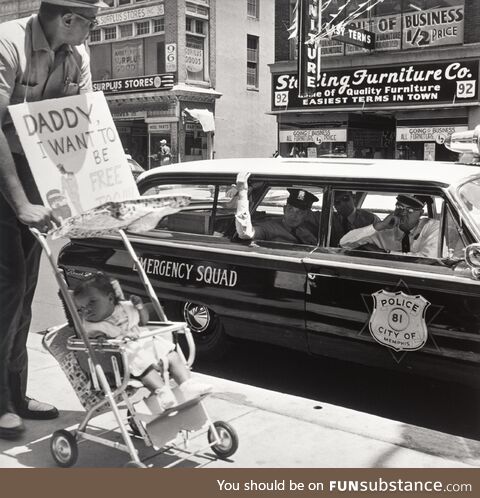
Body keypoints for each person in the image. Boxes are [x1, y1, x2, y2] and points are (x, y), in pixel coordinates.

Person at [0, 0, 110, 439]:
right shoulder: (8, 43)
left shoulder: (77, 56)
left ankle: (14, 392)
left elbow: (79, 128)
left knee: (24, 287)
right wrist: (21, 202)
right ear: (68, 19)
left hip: (34, 170)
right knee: (7, 285)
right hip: (4, 169)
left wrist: (97, 188)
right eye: (92, 22)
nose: (93, 30)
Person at [73, 273, 212, 412]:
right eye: (82, 308)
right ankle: (162, 392)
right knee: (145, 368)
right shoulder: (92, 325)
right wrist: (102, 340)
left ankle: (187, 384)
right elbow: (96, 341)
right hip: (128, 356)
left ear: (110, 298)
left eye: (92, 302)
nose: (87, 310)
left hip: (147, 343)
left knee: (172, 355)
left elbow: (143, 321)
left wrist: (140, 308)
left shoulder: (125, 307)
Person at [340, 194, 440, 258]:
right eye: (399, 207)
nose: (403, 213)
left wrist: (385, 253)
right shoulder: (384, 228)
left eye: (410, 210)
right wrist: (379, 226)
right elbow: (344, 243)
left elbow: (428, 259)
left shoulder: (431, 227)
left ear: (421, 213)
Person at [235, 172, 318, 245]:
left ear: (306, 214)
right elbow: (245, 233)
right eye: (290, 209)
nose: (294, 215)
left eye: (300, 212)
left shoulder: (308, 228)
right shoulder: (269, 228)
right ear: (284, 209)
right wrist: (242, 192)